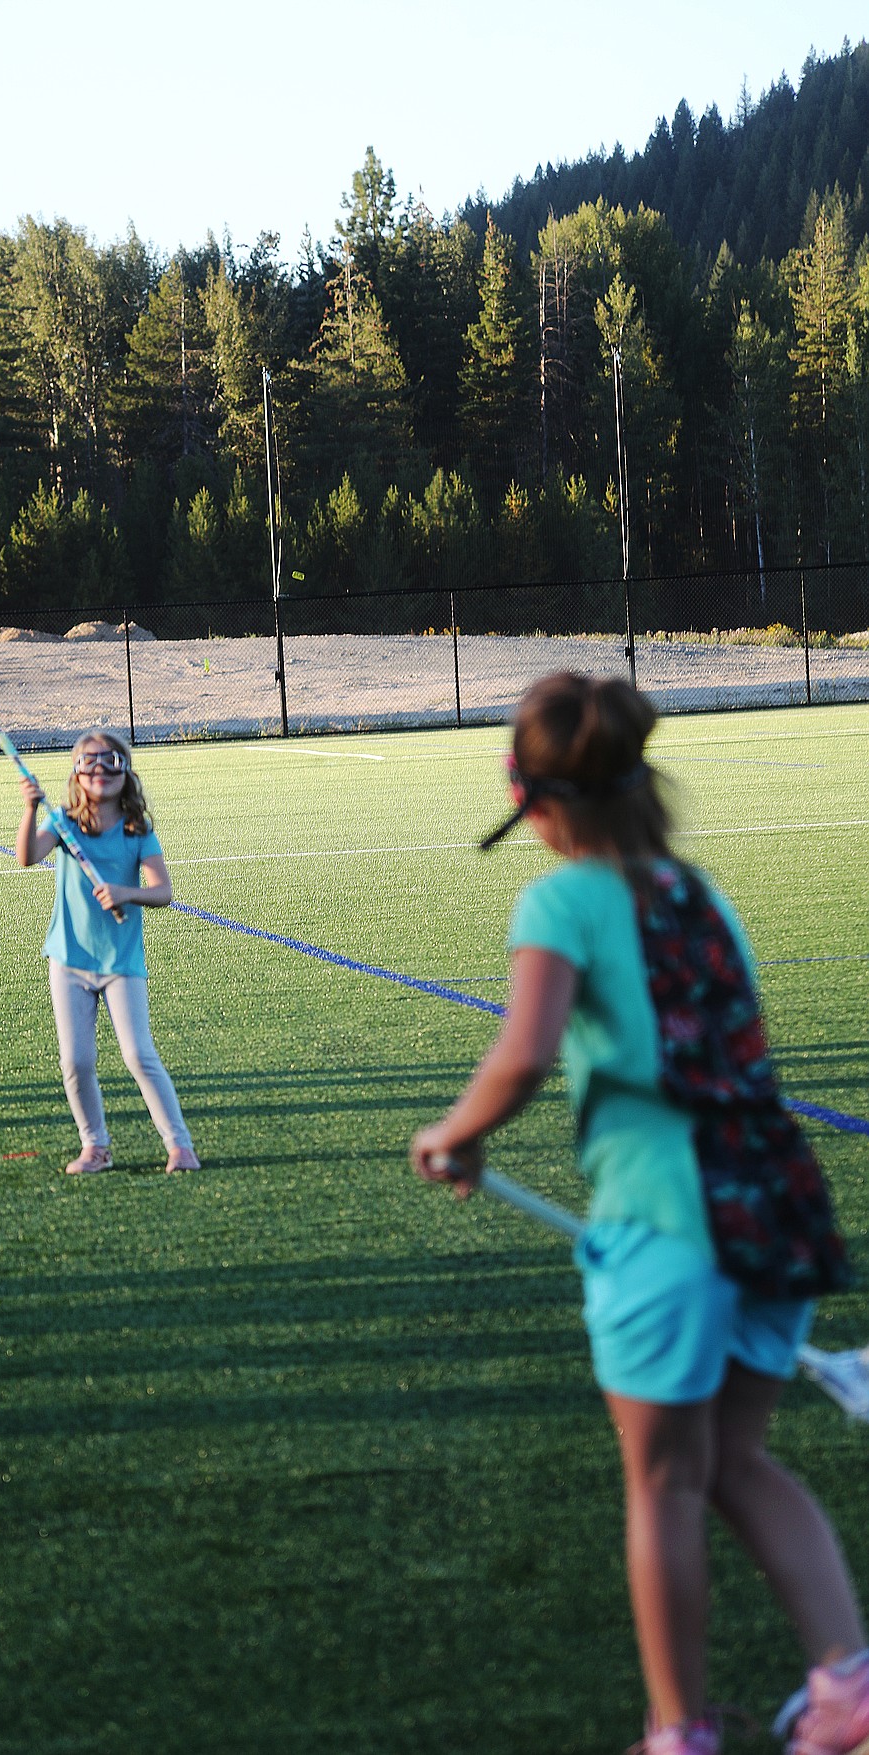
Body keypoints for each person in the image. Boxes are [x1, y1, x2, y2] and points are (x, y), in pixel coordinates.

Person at [409, 672, 867, 1755]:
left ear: (534, 797)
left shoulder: (563, 898)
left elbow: (524, 1051)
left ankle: (677, 1732)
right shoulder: (693, 890)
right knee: (736, 1462)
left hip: (670, 1226)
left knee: (662, 1482)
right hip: (777, 1205)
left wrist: (455, 1134)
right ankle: (848, 1684)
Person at [16, 730, 200, 1176]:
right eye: (89, 762)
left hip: (121, 963)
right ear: (77, 775)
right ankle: (95, 1146)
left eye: (110, 761)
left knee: (139, 1055)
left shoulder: (138, 830)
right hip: (69, 959)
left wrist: (124, 891)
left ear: (125, 773)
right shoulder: (62, 823)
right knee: (76, 1060)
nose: (100, 770)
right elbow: (27, 857)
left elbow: (163, 892)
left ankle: (179, 1147)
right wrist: (29, 809)